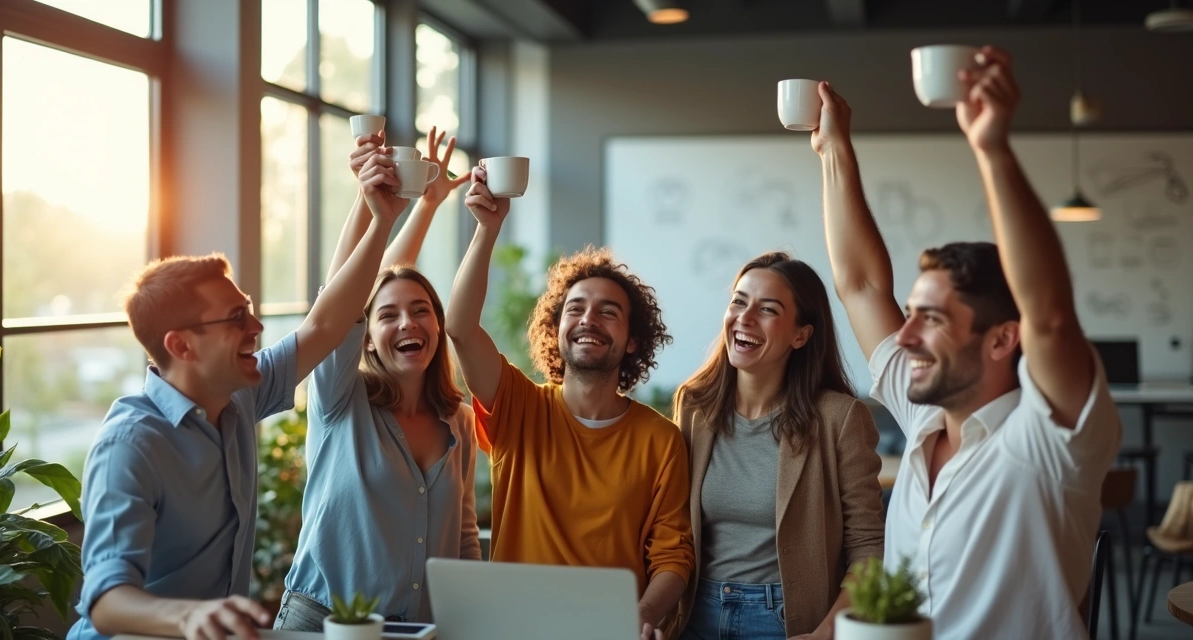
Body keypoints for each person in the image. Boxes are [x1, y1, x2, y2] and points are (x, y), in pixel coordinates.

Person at [814, 47, 1121, 639]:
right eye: (909, 315)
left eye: (930, 318)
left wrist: (992, 149)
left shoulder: (1048, 442)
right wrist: (833, 151)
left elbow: (1052, 316)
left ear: (1005, 337)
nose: (904, 336)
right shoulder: (925, 412)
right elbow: (858, 284)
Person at [68, 129, 410, 640]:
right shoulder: (132, 444)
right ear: (181, 346)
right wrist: (189, 617)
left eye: (249, 311)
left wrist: (378, 215)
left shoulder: (237, 393)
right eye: (236, 319)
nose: (256, 329)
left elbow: (324, 324)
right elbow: (106, 601)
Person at [446, 165, 694, 640]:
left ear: (633, 341)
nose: (588, 319)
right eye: (575, 309)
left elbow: (673, 557)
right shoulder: (518, 405)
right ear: (555, 331)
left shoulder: (660, 440)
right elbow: (458, 327)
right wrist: (487, 230)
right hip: (510, 627)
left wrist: (640, 615)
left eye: (608, 311)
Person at [274, 127, 478, 629]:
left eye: (421, 310)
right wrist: (374, 208)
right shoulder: (339, 399)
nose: (408, 323)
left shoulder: (460, 421)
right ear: (365, 335)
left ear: (438, 322)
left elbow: (465, 534)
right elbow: (337, 305)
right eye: (387, 316)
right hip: (322, 624)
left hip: (422, 629)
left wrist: (427, 204)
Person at [670, 252, 884, 640]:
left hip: (785, 620)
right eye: (738, 301)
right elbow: (671, 527)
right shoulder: (694, 406)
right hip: (694, 614)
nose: (745, 317)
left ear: (801, 335)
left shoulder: (840, 418)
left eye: (767, 309)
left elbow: (868, 548)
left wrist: (826, 633)